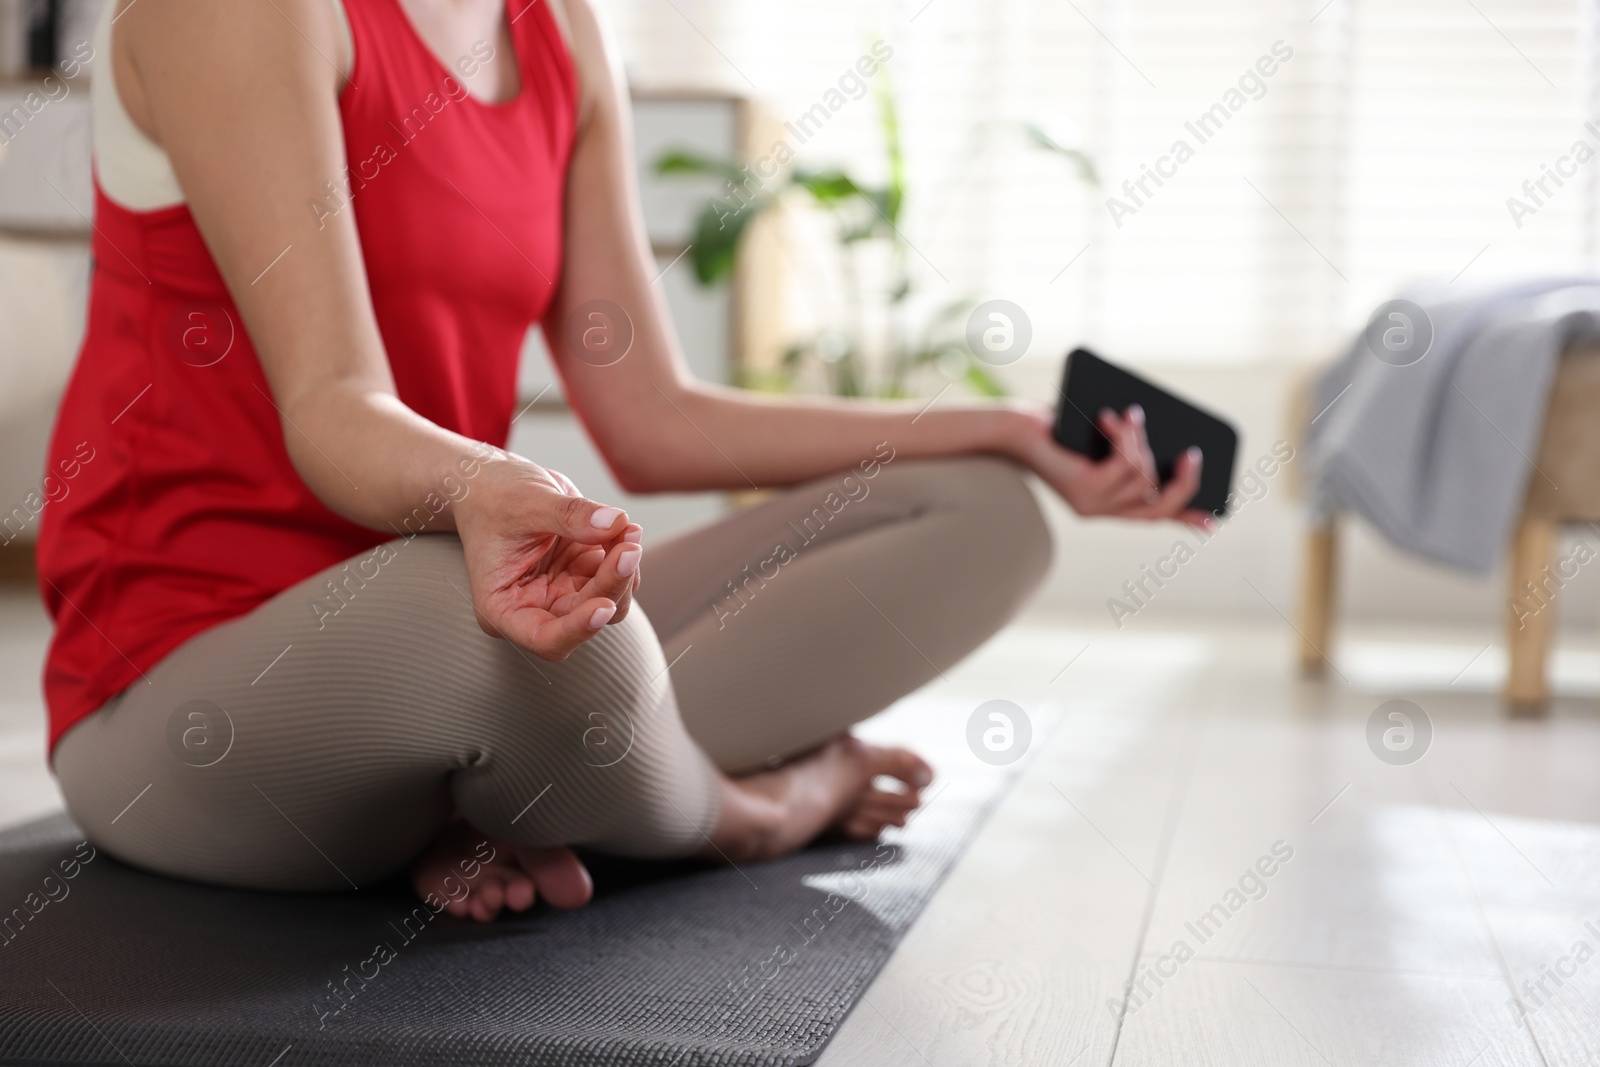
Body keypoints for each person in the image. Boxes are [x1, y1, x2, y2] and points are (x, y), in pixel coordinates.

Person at [38, 0, 1207, 921]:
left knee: (986, 516)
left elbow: (657, 417)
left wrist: (999, 427)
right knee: (496, 619)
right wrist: (495, 492)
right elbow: (336, 407)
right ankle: (748, 810)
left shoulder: (557, 34)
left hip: (468, 621)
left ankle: (508, 798)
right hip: (181, 690)